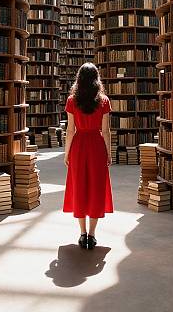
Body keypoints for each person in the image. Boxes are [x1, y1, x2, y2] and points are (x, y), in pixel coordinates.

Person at [63, 62, 114, 249]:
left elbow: (69, 130)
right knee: (95, 188)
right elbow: (106, 131)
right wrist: (109, 153)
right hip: (96, 146)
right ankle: (92, 236)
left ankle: (82, 233)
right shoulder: (104, 101)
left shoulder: (71, 101)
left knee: (79, 187)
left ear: (79, 79)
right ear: (96, 79)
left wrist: (66, 153)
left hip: (78, 146)